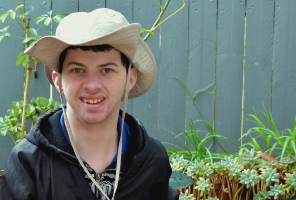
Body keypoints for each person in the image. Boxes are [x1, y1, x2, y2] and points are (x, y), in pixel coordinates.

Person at [0, 8, 179, 200]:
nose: (92, 85)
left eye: (107, 70)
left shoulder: (151, 159)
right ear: (58, 81)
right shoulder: (28, 162)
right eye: (77, 70)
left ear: (130, 78)